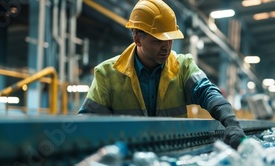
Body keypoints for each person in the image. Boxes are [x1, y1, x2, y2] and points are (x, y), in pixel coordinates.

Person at [78, 0, 246, 148]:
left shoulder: (183, 67)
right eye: (158, 41)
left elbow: (207, 91)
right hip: (126, 161)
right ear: (137, 39)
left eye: (170, 39)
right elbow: (86, 125)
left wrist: (231, 124)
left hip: (172, 157)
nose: (166, 47)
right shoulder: (108, 74)